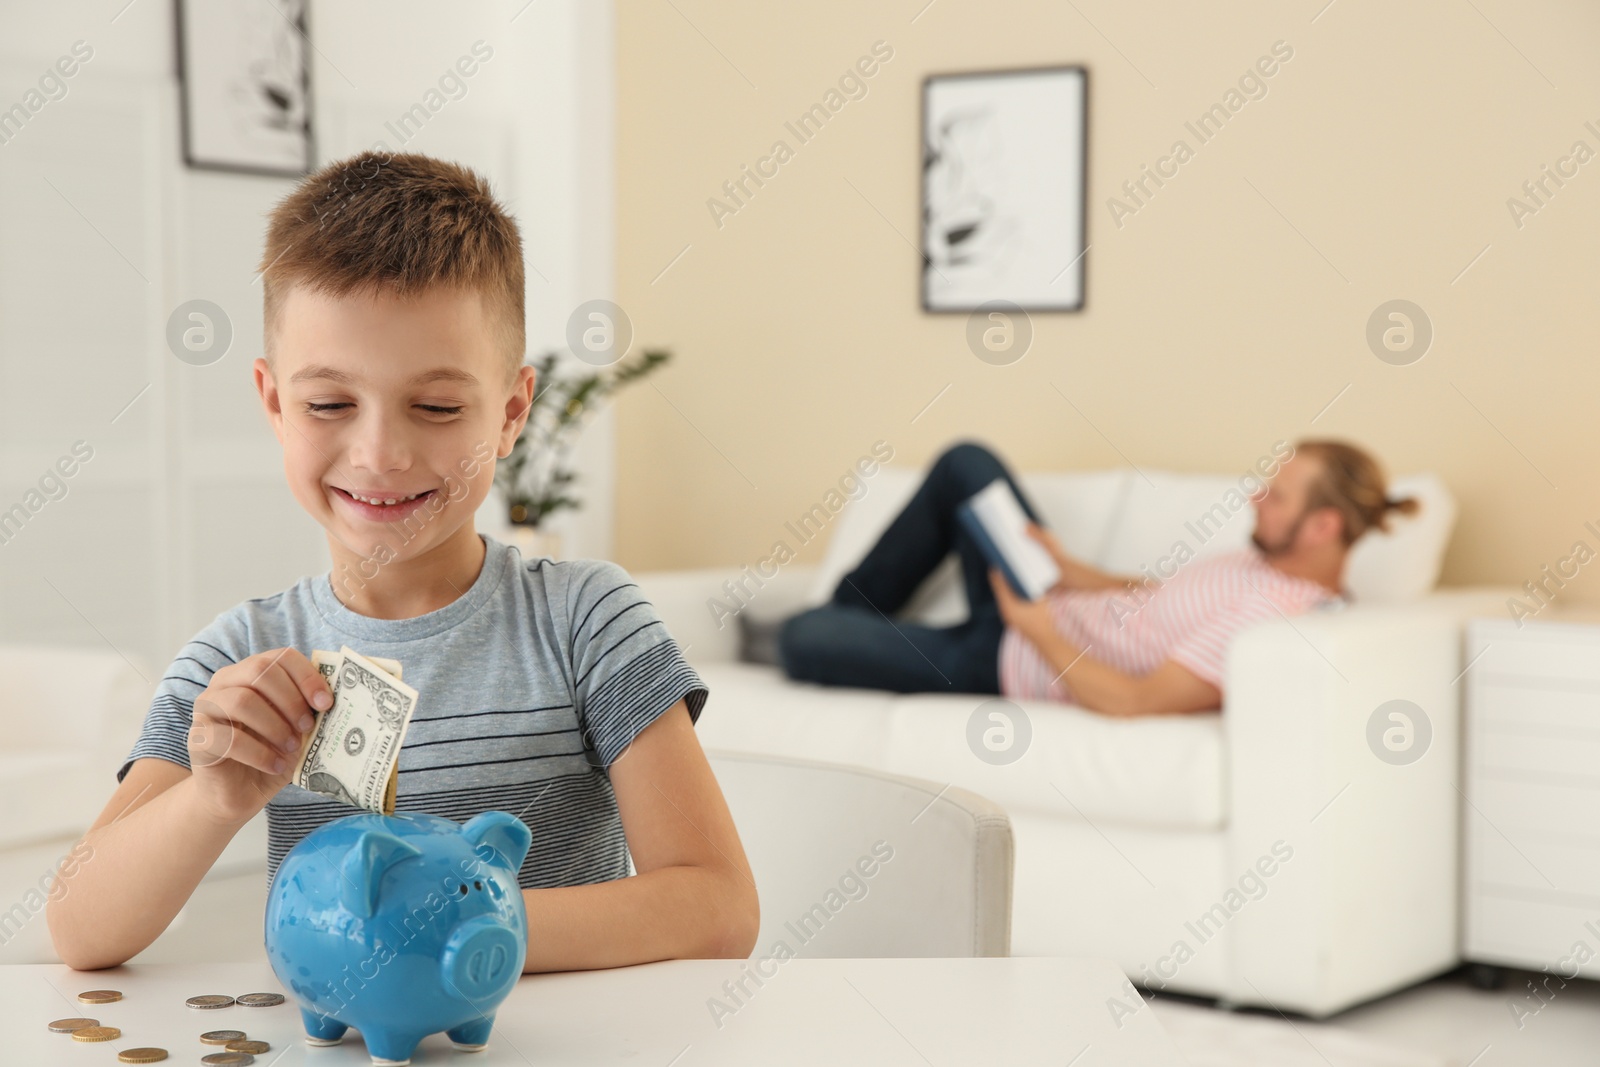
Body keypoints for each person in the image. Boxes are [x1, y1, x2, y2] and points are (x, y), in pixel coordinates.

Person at [47, 152, 759, 971]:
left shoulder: (585, 621)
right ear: (274, 403)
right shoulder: (240, 656)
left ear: (511, 412)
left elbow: (718, 902)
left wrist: (444, 931)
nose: (380, 453)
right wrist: (212, 796)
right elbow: (77, 927)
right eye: (328, 403)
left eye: (437, 406)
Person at [778, 439, 1418, 716]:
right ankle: (859, 618)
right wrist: (1071, 574)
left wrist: (1036, 629)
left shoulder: (1272, 620)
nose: (1256, 499)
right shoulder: (1261, 563)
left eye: (1277, 497)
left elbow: (1133, 702)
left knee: (803, 638)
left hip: (1006, 658)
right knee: (965, 464)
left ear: (1323, 528)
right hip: (1040, 601)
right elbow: (1159, 602)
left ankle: (847, 627)